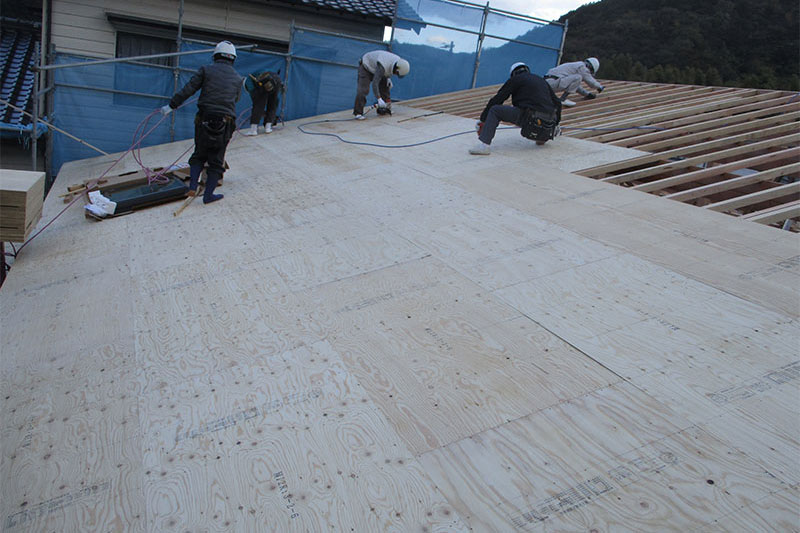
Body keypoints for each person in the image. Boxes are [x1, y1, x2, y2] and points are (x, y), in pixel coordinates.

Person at [160, 41, 242, 204]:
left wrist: (171, 105)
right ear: (233, 58)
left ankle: (192, 186)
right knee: (217, 160)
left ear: (215, 56)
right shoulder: (238, 78)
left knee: (199, 153)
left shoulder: (206, 70)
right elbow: (236, 99)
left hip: (204, 118)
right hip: (225, 122)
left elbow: (189, 89)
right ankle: (208, 195)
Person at [469, 62, 562, 156]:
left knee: (495, 110)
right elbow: (558, 103)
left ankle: (485, 146)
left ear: (513, 73)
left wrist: (483, 119)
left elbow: (498, 99)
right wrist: (556, 123)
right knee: (539, 133)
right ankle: (542, 139)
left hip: (530, 117)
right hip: (548, 123)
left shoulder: (516, 79)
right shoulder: (541, 81)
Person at [353, 50, 410, 119]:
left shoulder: (398, 62)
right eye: (396, 73)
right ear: (397, 68)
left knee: (385, 87)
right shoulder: (383, 66)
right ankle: (358, 112)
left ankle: (384, 109)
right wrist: (379, 98)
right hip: (366, 67)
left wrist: (388, 79)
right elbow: (375, 83)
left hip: (378, 67)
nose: (396, 74)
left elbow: (390, 69)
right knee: (363, 90)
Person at [241, 70, 283, 136]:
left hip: (265, 83)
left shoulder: (248, 82)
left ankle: (253, 130)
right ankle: (268, 128)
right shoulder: (255, 74)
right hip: (276, 81)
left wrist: (258, 109)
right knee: (272, 105)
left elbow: (256, 98)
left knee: (258, 106)